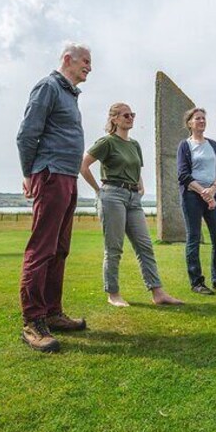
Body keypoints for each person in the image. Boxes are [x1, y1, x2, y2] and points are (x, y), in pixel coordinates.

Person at [16, 42, 92, 353]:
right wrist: (30, 173)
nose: (90, 67)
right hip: (49, 174)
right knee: (42, 248)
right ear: (67, 59)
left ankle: (52, 312)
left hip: (67, 177)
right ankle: (33, 321)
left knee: (60, 249)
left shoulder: (70, 95)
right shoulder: (48, 86)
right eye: (85, 61)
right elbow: (26, 133)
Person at [80, 103, 184, 307]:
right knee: (114, 248)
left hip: (133, 199)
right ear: (114, 119)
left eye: (132, 114)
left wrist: (141, 187)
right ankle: (113, 294)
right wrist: (98, 191)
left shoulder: (134, 145)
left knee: (145, 246)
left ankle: (158, 293)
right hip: (112, 196)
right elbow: (83, 166)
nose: (130, 118)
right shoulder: (107, 142)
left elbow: (137, 169)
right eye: (126, 115)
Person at [177, 108, 216, 295]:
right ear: (190, 123)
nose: (201, 121)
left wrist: (213, 190)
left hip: (212, 193)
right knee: (193, 238)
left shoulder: (213, 145)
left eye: (203, 118)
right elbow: (183, 175)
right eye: (197, 118)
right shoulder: (185, 146)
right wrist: (204, 192)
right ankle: (197, 282)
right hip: (192, 195)